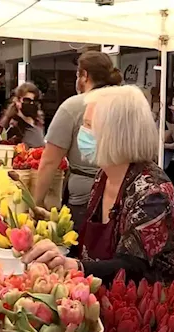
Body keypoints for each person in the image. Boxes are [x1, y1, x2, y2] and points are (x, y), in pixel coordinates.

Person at [26, 85, 174, 285]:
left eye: (88, 125)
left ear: (115, 135)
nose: (81, 133)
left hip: (148, 303)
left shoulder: (153, 192)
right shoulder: (104, 175)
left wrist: (75, 266)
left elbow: (133, 267)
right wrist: (56, 228)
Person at [33, 51, 123, 232]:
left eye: (77, 74)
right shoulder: (125, 104)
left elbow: (50, 161)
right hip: (123, 193)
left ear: (84, 76)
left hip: (84, 198)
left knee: (82, 251)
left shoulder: (73, 106)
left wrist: (36, 202)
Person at [0, 82, 45, 148]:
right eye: (27, 100)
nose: (31, 104)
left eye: (34, 101)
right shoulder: (12, 125)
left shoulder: (37, 122)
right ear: (17, 101)